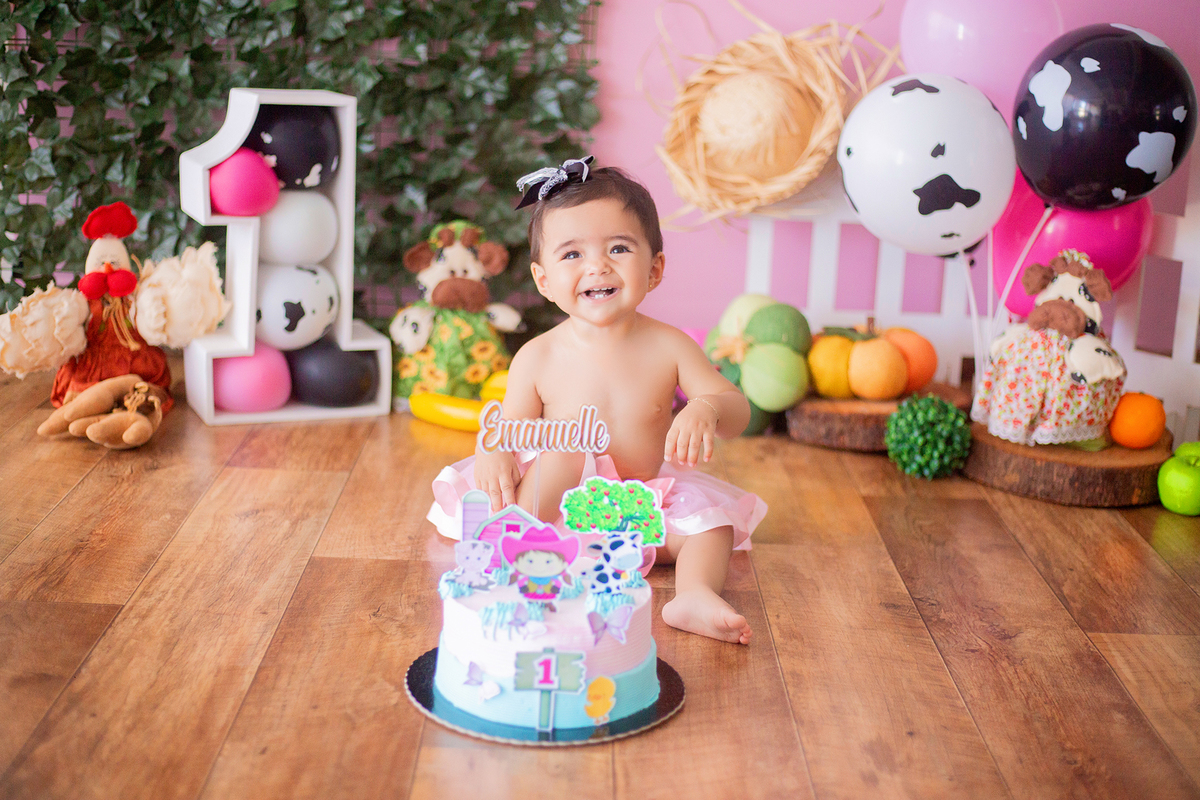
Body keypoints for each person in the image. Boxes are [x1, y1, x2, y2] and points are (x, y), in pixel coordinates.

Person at [427, 158, 767, 644]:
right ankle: (517, 552)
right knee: (563, 454)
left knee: (712, 528)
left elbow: (736, 410)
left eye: (618, 248)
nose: (597, 266)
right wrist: (493, 449)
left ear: (655, 268)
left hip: (635, 509)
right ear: (543, 280)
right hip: (553, 511)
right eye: (572, 255)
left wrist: (706, 408)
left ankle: (693, 596)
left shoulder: (669, 346)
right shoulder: (538, 355)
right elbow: (509, 427)